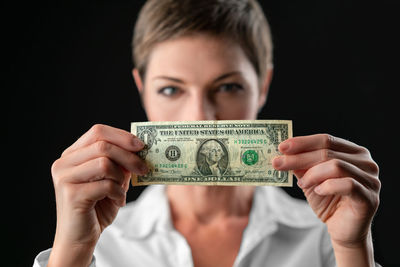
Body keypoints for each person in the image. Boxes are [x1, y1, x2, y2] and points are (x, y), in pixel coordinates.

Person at [33, 0, 381, 266]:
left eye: (228, 87)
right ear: (141, 89)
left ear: (262, 86)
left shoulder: (326, 234)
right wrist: (72, 252)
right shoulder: (101, 241)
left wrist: (353, 249)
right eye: (171, 89)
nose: (201, 116)